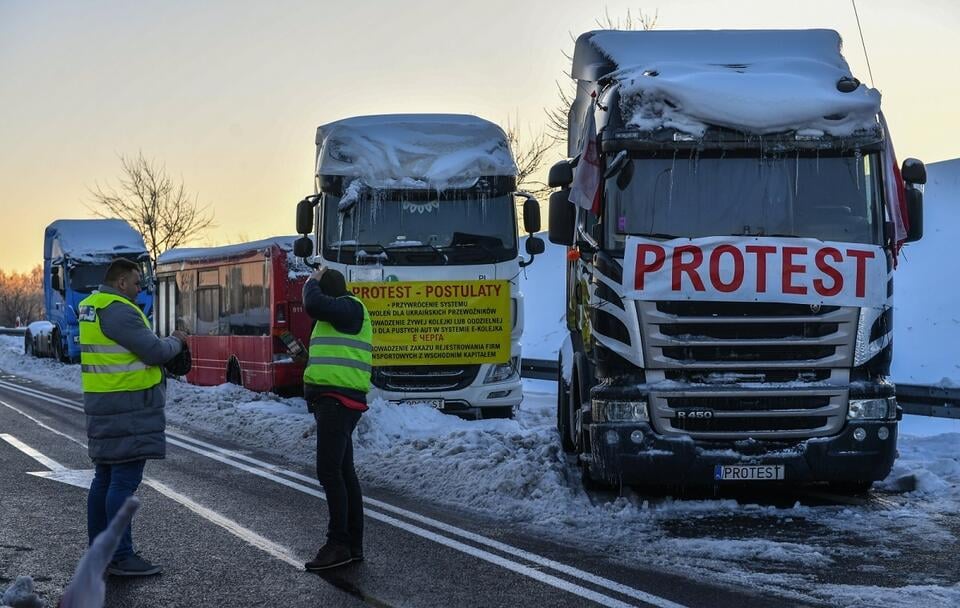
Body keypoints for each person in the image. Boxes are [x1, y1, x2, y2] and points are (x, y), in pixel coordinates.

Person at [78, 258, 187, 577]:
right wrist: (177, 340)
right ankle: (120, 555)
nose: (141, 289)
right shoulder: (119, 309)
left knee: (105, 480)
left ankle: (100, 552)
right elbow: (153, 351)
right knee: (123, 483)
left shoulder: (91, 306)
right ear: (121, 282)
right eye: (137, 282)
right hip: (129, 409)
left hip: (104, 405)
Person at [301, 266, 372, 571]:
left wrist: (311, 281)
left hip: (337, 402)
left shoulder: (350, 307)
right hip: (336, 401)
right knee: (343, 473)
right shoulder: (339, 316)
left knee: (329, 472)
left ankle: (338, 543)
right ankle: (352, 545)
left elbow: (312, 303)